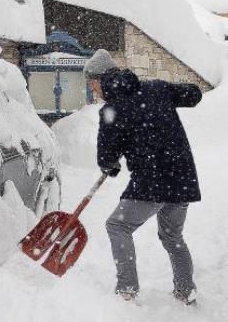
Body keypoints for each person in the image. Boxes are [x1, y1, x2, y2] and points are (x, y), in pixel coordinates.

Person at [83, 49, 202, 305]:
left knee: (117, 225)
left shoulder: (111, 111)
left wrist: (110, 166)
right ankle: (185, 289)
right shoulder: (157, 88)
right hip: (182, 178)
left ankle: (126, 290)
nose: (93, 90)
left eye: (92, 84)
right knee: (172, 236)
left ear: (101, 79)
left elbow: (107, 160)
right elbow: (194, 94)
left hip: (152, 182)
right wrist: (176, 93)